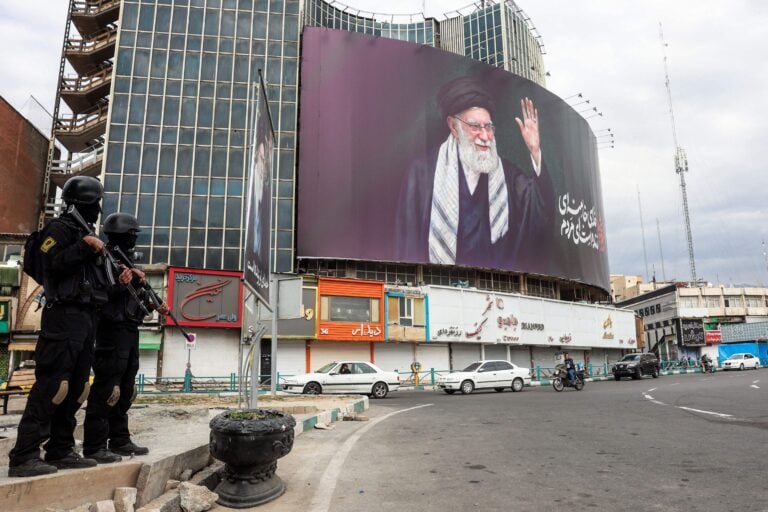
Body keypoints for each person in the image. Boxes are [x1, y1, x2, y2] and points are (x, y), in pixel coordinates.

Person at [8, 176, 131, 477]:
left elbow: (97, 286)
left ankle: (61, 449)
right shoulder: (60, 229)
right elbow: (49, 265)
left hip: (86, 319)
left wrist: (120, 280)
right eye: (94, 203)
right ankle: (24, 455)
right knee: (53, 385)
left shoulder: (86, 234)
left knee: (77, 388)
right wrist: (83, 248)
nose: (97, 209)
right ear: (81, 203)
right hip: (62, 316)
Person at [395, 76, 555, 270]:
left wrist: (535, 151)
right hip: (439, 281)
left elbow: (539, 208)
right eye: (475, 127)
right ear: (454, 126)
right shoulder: (421, 174)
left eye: (488, 127)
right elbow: (408, 245)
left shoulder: (508, 175)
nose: (485, 136)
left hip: (495, 283)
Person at [82, 213, 169, 462]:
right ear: (120, 234)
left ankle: (119, 439)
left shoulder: (127, 261)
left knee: (126, 388)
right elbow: (100, 294)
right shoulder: (102, 258)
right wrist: (123, 283)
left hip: (130, 330)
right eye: (131, 234)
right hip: (111, 330)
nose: (134, 239)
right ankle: (95, 445)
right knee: (107, 387)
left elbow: (134, 298)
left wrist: (153, 305)